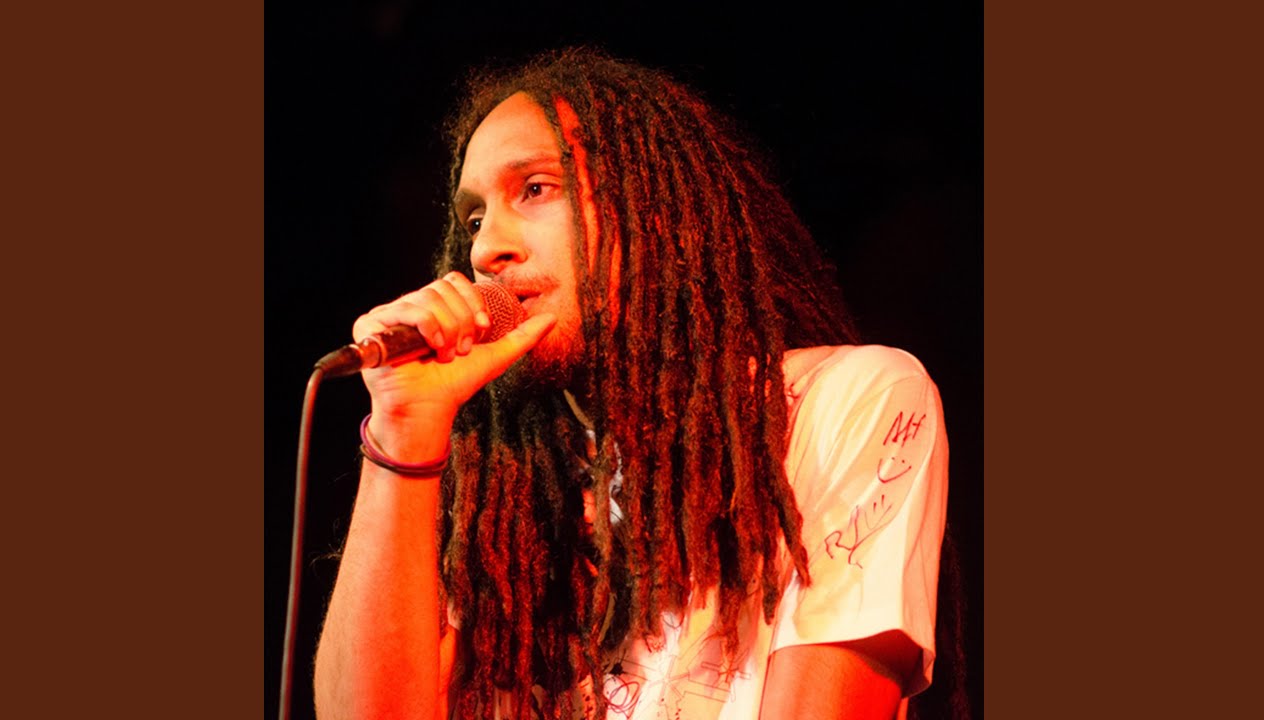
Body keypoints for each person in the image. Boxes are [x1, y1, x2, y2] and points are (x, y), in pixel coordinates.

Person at [313, 48, 951, 720]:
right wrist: (402, 428)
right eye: (473, 219)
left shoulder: (847, 401)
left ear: (654, 211)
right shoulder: (480, 478)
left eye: (535, 189)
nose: (485, 248)